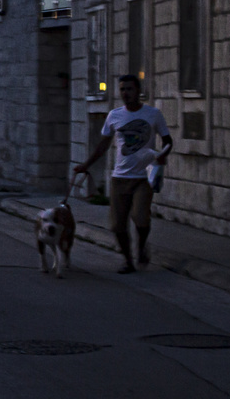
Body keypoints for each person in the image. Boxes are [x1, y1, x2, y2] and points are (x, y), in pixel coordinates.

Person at [73, 75, 172, 274]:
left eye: (129, 89)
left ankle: (141, 247)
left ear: (138, 91)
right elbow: (103, 145)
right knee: (118, 226)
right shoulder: (114, 115)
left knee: (141, 218)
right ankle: (128, 261)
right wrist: (86, 164)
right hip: (120, 178)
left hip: (143, 177)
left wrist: (162, 155)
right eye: (122, 89)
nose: (125, 93)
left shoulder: (153, 114)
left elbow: (168, 140)